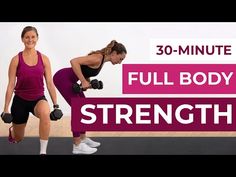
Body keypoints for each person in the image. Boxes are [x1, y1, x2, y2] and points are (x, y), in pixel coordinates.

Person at [53, 40, 127, 154]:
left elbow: (85, 73)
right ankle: (77, 145)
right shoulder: (98, 58)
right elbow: (74, 61)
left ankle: (83, 138)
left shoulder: (101, 61)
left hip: (70, 80)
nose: (120, 62)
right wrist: (82, 81)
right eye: (120, 58)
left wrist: (91, 84)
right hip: (62, 78)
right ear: (114, 53)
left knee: (84, 106)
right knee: (78, 109)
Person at [2, 26, 59, 155]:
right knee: (18, 138)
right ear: (22, 39)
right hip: (20, 101)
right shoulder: (16, 60)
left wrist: (56, 106)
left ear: (37, 38)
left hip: (38, 98)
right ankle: (13, 132)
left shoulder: (44, 59)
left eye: (33, 37)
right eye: (27, 37)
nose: (30, 40)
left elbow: (49, 83)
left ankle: (43, 152)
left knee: (45, 112)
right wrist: (5, 109)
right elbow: (11, 84)